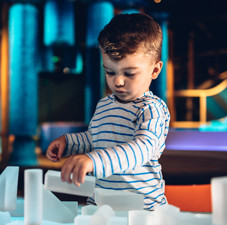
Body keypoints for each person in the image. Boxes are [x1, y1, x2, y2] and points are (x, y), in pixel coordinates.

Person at [46, 13, 170, 210]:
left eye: (129, 73)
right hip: (101, 205)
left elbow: (141, 149)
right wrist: (68, 143)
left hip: (143, 210)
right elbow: (95, 139)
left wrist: (94, 160)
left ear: (155, 71)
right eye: (110, 72)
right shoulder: (104, 105)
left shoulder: (151, 109)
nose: (118, 81)